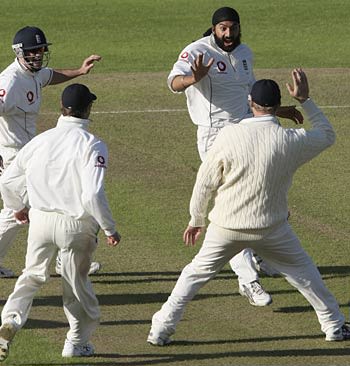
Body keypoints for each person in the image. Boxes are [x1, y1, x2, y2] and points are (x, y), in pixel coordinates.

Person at [147, 68, 350, 345]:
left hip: (226, 227)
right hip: (272, 229)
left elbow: (205, 181)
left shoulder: (229, 135)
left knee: (193, 275)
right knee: (305, 274)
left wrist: (196, 219)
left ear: (250, 102)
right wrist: (305, 100)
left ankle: (160, 330)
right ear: (278, 107)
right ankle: (334, 326)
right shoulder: (291, 141)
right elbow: (327, 135)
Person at [167, 7, 301, 306]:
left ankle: (264, 256)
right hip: (216, 136)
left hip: (248, 128)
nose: (228, 34)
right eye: (223, 29)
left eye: (233, 28)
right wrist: (193, 79)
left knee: (264, 193)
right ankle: (247, 280)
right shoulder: (196, 51)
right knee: (233, 206)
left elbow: (246, 96)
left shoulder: (245, 53)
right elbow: (173, 82)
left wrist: (278, 110)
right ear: (214, 28)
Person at [0, 83, 121, 361]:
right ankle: (76, 342)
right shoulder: (93, 144)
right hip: (76, 225)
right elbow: (92, 194)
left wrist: (17, 207)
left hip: (40, 221)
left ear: (62, 109)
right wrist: (109, 228)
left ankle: (10, 321)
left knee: (31, 276)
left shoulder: (40, 140)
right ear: (88, 108)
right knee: (76, 288)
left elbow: (7, 180)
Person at [0, 26, 103, 278]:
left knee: (50, 203)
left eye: (40, 51)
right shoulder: (10, 80)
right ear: (19, 53)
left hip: (31, 153)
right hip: (12, 154)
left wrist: (79, 71)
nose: (37, 56)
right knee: (18, 212)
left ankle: (66, 260)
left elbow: (50, 75)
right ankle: (66, 261)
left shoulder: (33, 73)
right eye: (32, 52)